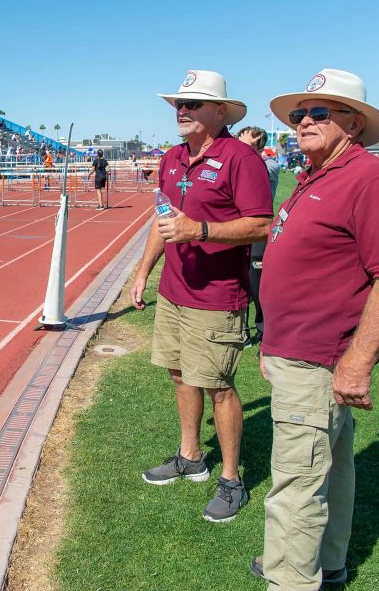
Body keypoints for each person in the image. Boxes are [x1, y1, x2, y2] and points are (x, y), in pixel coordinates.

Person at [250, 69, 379, 590]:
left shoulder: (372, 180)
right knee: (331, 473)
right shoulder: (316, 175)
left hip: (320, 360)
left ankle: (291, 579)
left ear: (354, 122)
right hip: (297, 352)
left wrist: (357, 362)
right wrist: (273, 341)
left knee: (296, 489)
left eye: (318, 113)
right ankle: (327, 566)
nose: (302, 122)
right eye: (299, 114)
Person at [130, 70, 273, 523]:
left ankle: (231, 480)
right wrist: (142, 271)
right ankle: (190, 455)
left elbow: (262, 224)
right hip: (174, 291)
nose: (182, 110)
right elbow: (162, 220)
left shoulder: (240, 158)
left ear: (220, 111)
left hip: (216, 296)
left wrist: (201, 230)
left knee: (218, 386)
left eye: (193, 104)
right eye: (178, 104)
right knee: (179, 374)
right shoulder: (172, 158)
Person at [236, 126, 280, 345]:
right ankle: (241, 330)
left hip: (257, 234)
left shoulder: (269, 166)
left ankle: (264, 333)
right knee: (236, 280)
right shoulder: (241, 161)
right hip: (236, 231)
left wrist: (245, 150)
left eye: (247, 141)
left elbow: (253, 170)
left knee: (257, 286)